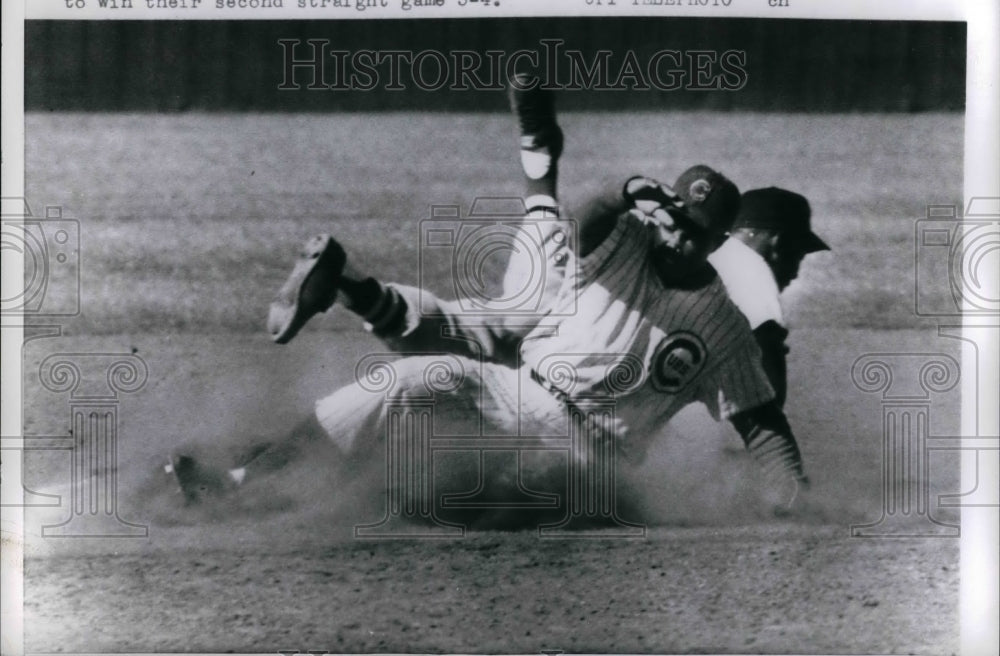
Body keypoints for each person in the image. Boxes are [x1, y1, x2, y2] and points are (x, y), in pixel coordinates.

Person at [170, 77, 809, 515]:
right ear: (659, 210)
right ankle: (244, 482)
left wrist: (793, 497)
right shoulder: (630, 239)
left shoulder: (723, 322)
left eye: (695, 232)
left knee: (459, 417)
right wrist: (625, 188)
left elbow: (762, 421)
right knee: (412, 379)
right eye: (672, 218)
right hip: (520, 389)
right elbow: (588, 220)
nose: (678, 235)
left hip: (590, 454)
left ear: (719, 240)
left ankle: (364, 290)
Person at [709, 188, 830, 409]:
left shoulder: (703, 255)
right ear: (778, 244)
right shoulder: (757, 287)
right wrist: (770, 348)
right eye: (797, 256)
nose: (795, 274)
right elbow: (769, 406)